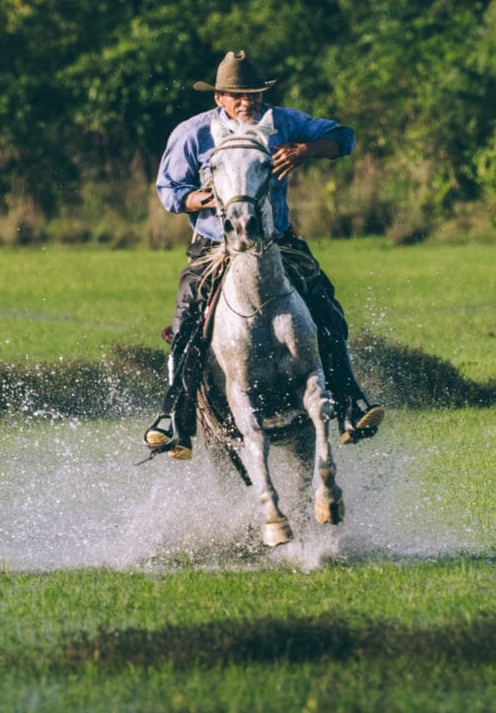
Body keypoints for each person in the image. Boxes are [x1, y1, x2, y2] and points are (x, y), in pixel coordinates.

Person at [144, 50, 384, 459]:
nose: (246, 102)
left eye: (253, 93)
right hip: (213, 245)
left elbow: (344, 138)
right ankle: (176, 418)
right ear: (218, 97)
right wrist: (201, 199)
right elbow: (169, 190)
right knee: (186, 321)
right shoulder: (193, 133)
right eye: (236, 95)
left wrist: (305, 149)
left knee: (325, 306)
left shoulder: (284, 122)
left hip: (276, 241)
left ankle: (350, 403)